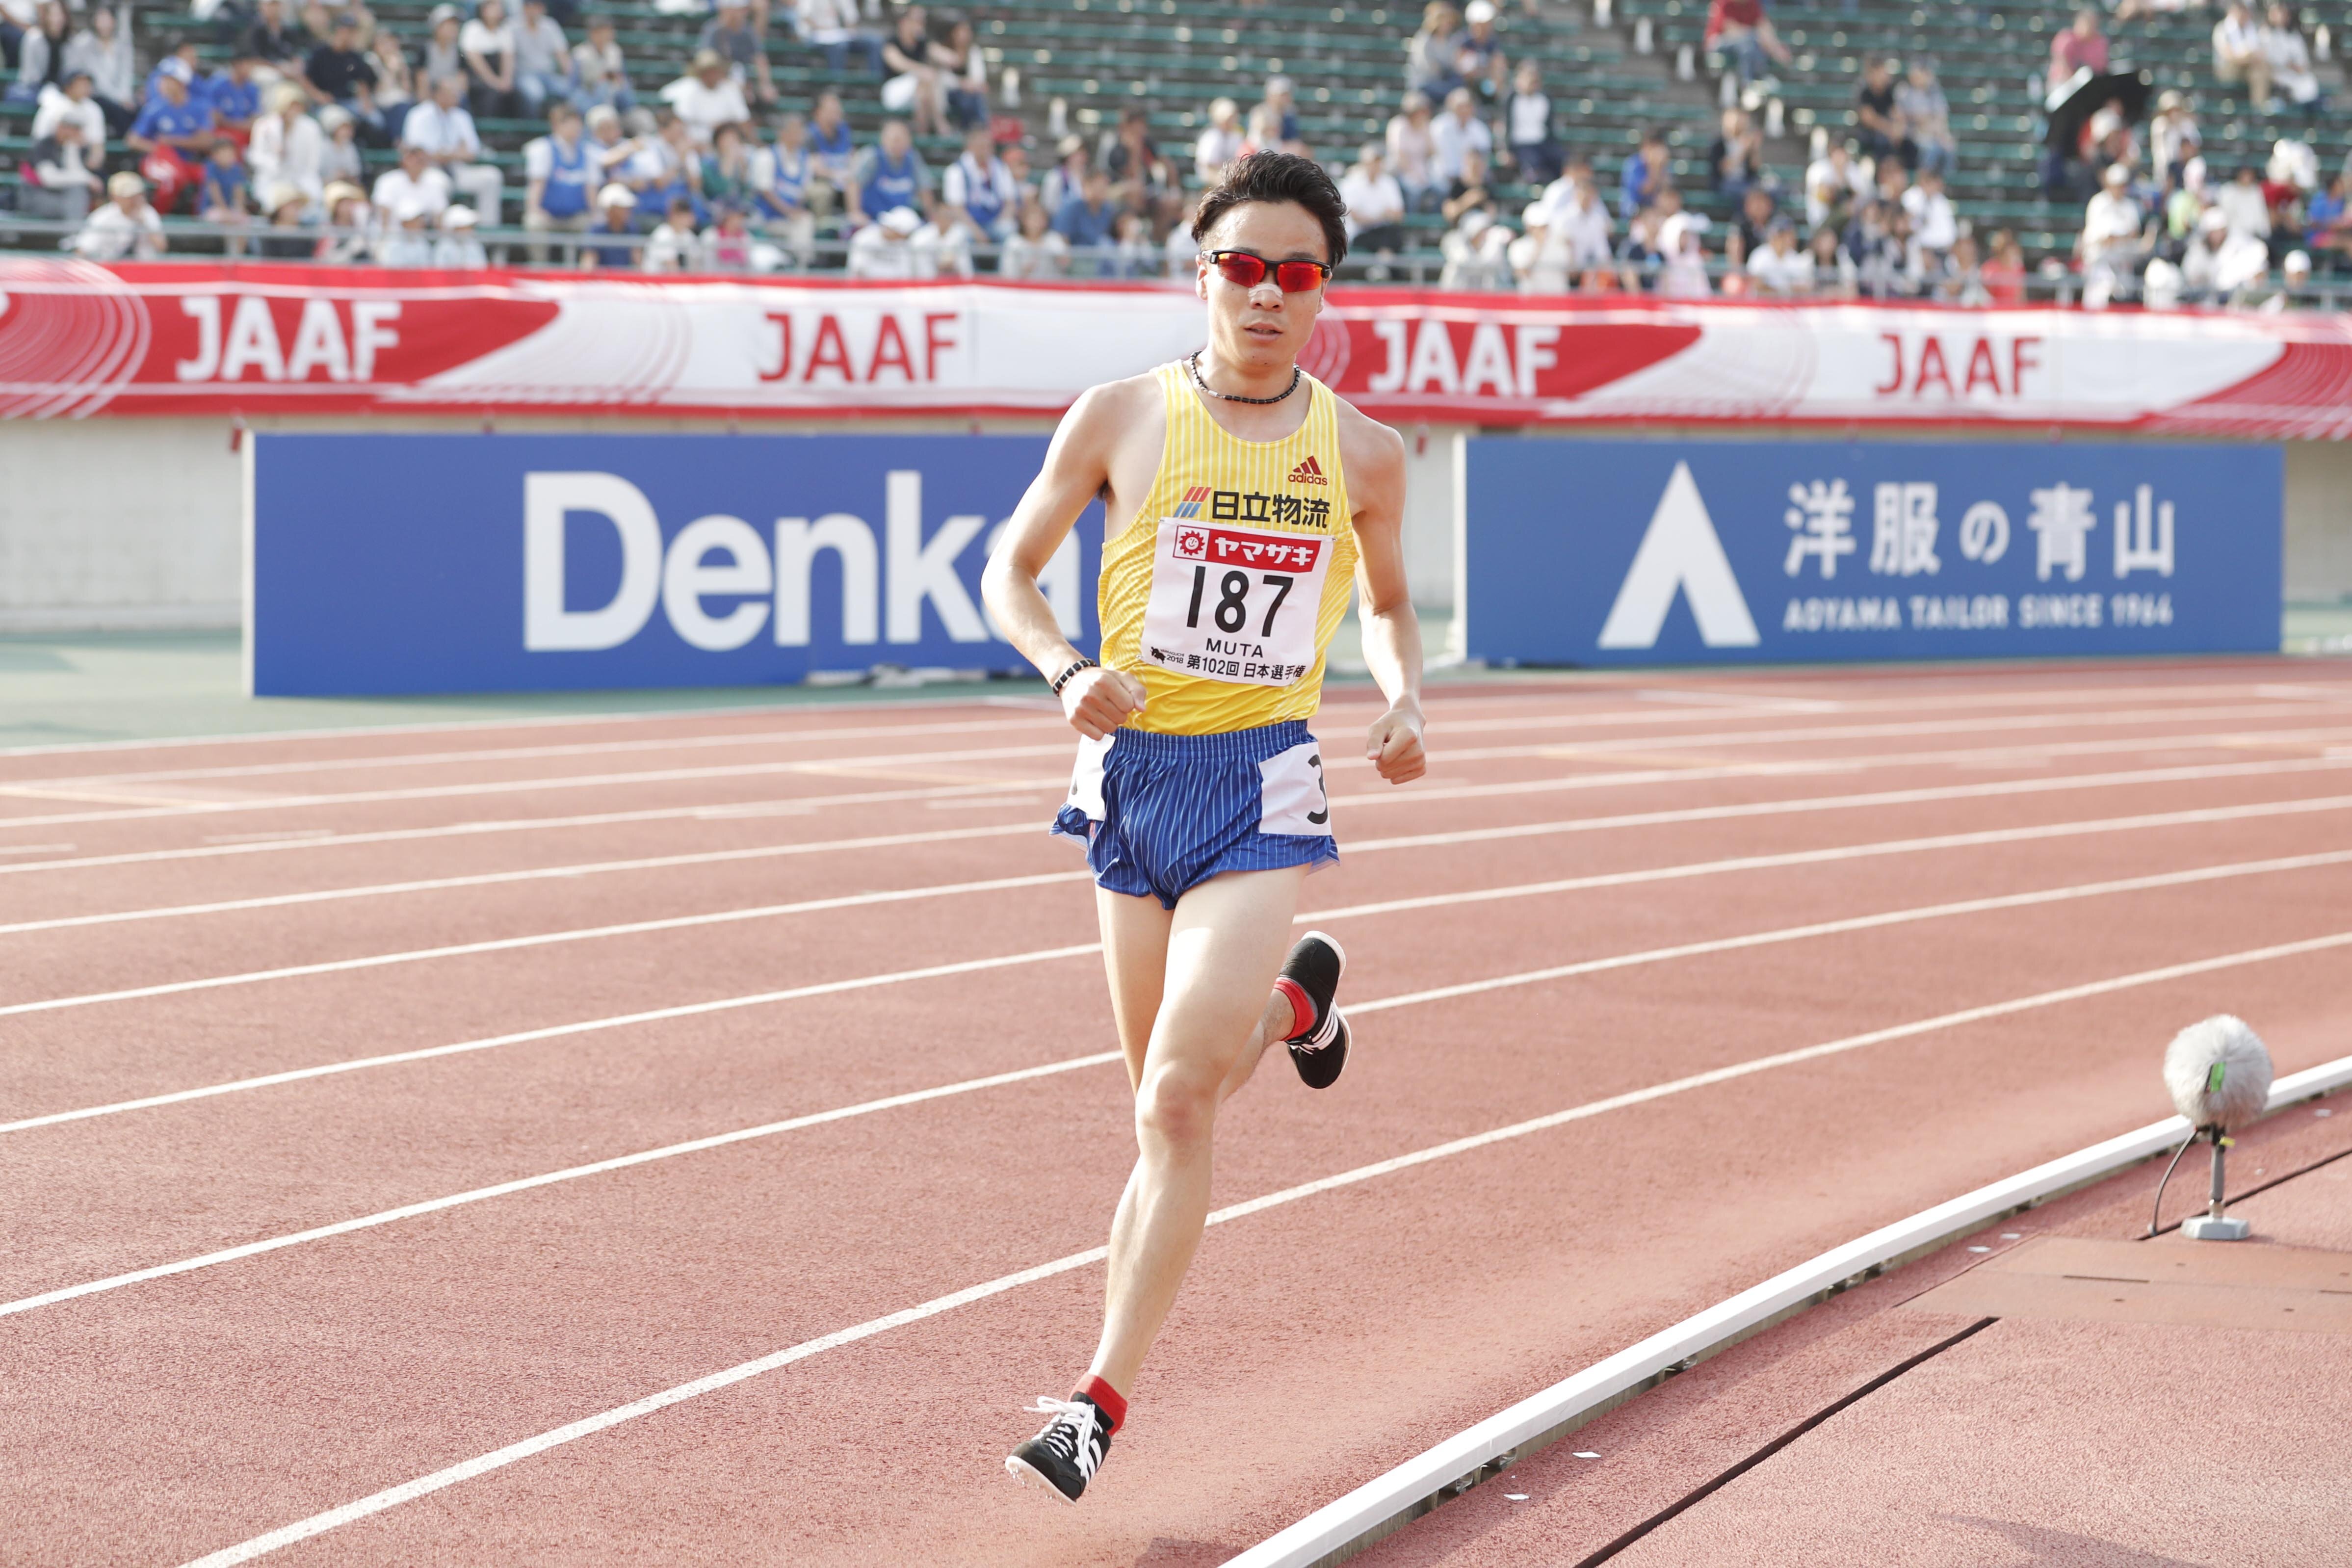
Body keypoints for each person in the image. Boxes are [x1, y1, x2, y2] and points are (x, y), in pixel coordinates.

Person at [982, 150, 1423, 1507]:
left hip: (1260, 781)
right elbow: (1009, 569)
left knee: (1178, 1097)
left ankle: (1094, 1405)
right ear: (1201, 273)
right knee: (1161, 1109)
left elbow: (1389, 603)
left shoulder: (1362, 452)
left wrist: (1402, 695)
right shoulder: (1119, 415)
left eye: (1296, 272)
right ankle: (1298, 1010)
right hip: (1130, 778)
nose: (1267, 293)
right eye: (1242, 266)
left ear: (1324, 290)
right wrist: (1063, 666)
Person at [402, 74, 503, 223]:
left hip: (458, 169)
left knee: (491, 177)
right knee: (438, 182)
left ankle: (488, 230)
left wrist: (444, 154)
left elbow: (472, 153)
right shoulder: (418, 115)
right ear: (437, 94)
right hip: (430, 169)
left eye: (456, 92)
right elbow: (417, 152)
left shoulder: (462, 116)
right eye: (451, 92)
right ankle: (443, 230)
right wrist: (453, 152)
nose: (456, 96)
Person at [127, 58, 215, 212]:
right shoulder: (155, 107)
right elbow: (133, 140)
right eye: (163, 80)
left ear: (181, 83)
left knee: (211, 176)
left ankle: (200, 218)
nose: (163, 84)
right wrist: (161, 148)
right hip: (160, 160)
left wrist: (171, 141)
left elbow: (206, 141)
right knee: (171, 178)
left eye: (169, 80)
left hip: (188, 161)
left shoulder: (199, 107)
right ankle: (157, 218)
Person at [524, 99, 595, 259]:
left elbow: (591, 189)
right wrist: (535, 209)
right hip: (549, 215)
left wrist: (594, 213)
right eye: (570, 123)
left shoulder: (588, 152)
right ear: (557, 125)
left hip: (577, 216)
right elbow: (537, 185)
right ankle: (540, 268)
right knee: (534, 223)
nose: (576, 128)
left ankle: (586, 269)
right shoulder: (543, 149)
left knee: (595, 224)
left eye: (578, 123)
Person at [249, 79, 325, 208]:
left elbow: (314, 161)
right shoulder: (264, 125)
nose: (294, 110)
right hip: (272, 179)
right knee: (273, 202)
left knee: (313, 199)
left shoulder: (311, 127)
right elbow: (256, 156)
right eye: (290, 106)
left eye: (297, 105)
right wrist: (275, 161)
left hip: (302, 179)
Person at [60, 1, 131, 135]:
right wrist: (118, 99)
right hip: (97, 95)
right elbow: (96, 78)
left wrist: (125, 96)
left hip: (118, 98)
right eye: (101, 19)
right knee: (112, 108)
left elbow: (126, 73)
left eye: (107, 19)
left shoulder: (120, 44)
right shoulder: (85, 43)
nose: (104, 23)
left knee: (134, 108)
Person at [941, 121, 1018, 245]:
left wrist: (1002, 221)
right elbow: (956, 209)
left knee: (1009, 230)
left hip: (995, 220)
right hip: (969, 222)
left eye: (989, 145)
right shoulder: (957, 170)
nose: (986, 149)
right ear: (970, 146)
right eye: (981, 145)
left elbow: (1010, 203)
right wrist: (977, 232)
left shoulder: (1001, 168)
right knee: (959, 235)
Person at [23, 111, 102, 224]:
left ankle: (74, 232)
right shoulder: (43, 146)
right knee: (76, 200)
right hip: (35, 197)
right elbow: (50, 180)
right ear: (60, 127)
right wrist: (88, 179)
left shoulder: (70, 146)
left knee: (78, 194)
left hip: (61, 197)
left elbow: (75, 172)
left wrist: (72, 147)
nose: (77, 133)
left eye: (78, 129)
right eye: (73, 129)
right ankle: (75, 233)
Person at [850, 115, 929, 226]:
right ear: (883, 139)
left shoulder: (913, 159)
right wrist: (855, 212)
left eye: (901, 139)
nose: (897, 143)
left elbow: (925, 189)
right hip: (873, 220)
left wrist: (931, 216)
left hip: (902, 220)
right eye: (894, 139)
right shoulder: (872, 157)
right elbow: (853, 183)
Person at [662, 46, 748, 148]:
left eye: (714, 71)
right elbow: (681, 119)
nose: (711, 75)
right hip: (695, 143)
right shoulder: (689, 89)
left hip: (725, 142)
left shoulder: (730, 90)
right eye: (707, 71)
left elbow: (743, 120)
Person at [879, 3, 943, 135]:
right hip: (893, 91)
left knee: (926, 86)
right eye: (916, 21)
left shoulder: (923, 43)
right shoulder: (892, 41)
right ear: (904, 22)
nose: (919, 25)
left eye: (922, 21)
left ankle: (923, 131)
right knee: (925, 79)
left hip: (916, 93)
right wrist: (922, 70)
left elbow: (945, 56)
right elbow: (898, 63)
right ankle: (940, 124)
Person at [75, 169, 167, 258]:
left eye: (136, 195)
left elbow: (162, 247)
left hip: (144, 266)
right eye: (128, 196)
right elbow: (82, 250)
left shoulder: (148, 213)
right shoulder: (103, 217)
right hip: (111, 265)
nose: (133, 200)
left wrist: (144, 222)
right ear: (115, 197)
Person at [1339, 141, 1407, 255]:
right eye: (1372, 162)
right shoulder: (1351, 183)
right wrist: (1381, 216)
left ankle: (1384, 260)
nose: (1375, 166)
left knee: (1393, 235)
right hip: (1361, 233)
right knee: (1384, 240)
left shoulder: (1389, 183)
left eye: (1378, 162)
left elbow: (1399, 215)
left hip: (1383, 232)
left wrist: (1374, 218)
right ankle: (1385, 260)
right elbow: (1355, 217)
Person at [698, 0, 771, 105]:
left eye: (743, 10)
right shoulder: (713, 30)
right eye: (738, 10)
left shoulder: (747, 30)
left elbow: (760, 58)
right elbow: (706, 61)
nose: (742, 13)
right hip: (719, 80)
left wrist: (765, 84)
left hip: (743, 79)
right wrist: (729, 82)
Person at [1499, 59, 1558, 186]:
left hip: (1543, 143)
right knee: (1534, 165)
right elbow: (1503, 126)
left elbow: (1549, 128)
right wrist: (1505, 150)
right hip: (1521, 145)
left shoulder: (1545, 99)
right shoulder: (1511, 99)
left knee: (1560, 159)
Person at [1702, 0, 1789, 86]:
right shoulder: (1724, 3)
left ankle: (1759, 78)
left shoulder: (1752, 3)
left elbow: (1763, 25)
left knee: (1753, 44)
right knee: (1748, 44)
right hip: (1717, 42)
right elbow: (1731, 30)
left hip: (1746, 41)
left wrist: (1776, 47)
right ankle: (1747, 83)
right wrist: (1758, 36)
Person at [371, 137, 450, 230]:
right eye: (415, 159)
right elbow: (384, 216)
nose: (418, 163)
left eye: (421, 160)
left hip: (421, 235)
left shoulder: (436, 182)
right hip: (393, 233)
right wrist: (385, 237)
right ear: (405, 160)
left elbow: (439, 218)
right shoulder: (387, 181)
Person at [1054, 163, 1120, 274]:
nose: (1104, 188)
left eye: (1106, 184)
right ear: (1087, 184)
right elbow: (1062, 239)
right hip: (1078, 261)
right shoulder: (1072, 207)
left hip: (1100, 260)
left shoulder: (1107, 209)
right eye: (1100, 185)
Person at [794, 0, 884, 78]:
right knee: (839, 46)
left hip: (840, 37)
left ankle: (874, 82)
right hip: (814, 37)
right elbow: (805, 16)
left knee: (875, 42)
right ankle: (837, 84)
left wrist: (848, 30)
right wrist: (824, 29)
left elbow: (851, 18)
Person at [462, 0, 521, 119]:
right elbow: (475, 60)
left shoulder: (505, 30)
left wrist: (506, 80)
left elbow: (508, 58)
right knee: (490, 95)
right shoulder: (473, 28)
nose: (497, 10)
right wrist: (494, 82)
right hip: (478, 77)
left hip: (498, 76)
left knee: (517, 94)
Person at [513, 0, 575, 113]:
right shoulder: (513, 26)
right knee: (535, 93)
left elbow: (562, 55)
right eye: (530, 7)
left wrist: (571, 76)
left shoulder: (550, 25)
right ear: (524, 8)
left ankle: (562, 120)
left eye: (537, 7)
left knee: (569, 89)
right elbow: (508, 55)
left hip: (548, 74)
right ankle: (531, 123)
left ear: (542, 9)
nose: (533, 11)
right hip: (524, 74)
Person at [1897, 60, 1954, 179]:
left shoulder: (1935, 93)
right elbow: (1915, 118)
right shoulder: (1905, 92)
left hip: (1934, 135)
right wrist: (1927, 122)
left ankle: (1943, 182)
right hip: (1913, 136)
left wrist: (1942, 135)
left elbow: (1941, 118)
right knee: (1932, 149)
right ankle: (1924, 181)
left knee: (1948, 148)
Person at [2262, 3, 2322, 115]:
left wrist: (2299, 67)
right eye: (2277, 14)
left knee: (2310, 83)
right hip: (2277, 75)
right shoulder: (2266, 34)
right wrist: (2288, 65)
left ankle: (2310, 111)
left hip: (2296, 75)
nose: (2280, 17)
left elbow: (2303, 61)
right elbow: (2269, 59)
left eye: (2283, 14)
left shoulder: (2294, 35)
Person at [1853, 57, 1911, 169]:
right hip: (1869, 135)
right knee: (1882, 141)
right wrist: (1890, 130)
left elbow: (1897, 113)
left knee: (1909, 144)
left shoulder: (1889, 91)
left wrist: (1899, 129)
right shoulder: (1864, 91)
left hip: (1887, 132)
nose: (1885, 75)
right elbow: (1870, 120)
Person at [2211, 1, 2270, 112]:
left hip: (2248, 67)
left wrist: (2250, 57)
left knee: (2261, 71)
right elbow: (2229, 56)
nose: (2243, 14)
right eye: (2240, 11)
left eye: (2245, 11)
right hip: (2227, 70)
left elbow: (2261, 53)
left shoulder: (2252, 28)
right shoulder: (2222, 29)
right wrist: (2249, 56)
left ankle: (2258, 111)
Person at [1385, 90, 1438, 211]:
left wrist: (1425, 131)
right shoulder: (1398, 125)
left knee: (1441, 189)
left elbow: (1432, 152)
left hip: (1423, 173)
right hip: (1400, 172)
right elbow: (1400, 157)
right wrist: (1415, 174)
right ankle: (1411, 220)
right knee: (1415, 192)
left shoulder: (1425, 126)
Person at [1431, 85, 1491, 190]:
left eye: (1467, 106)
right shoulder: (1439, 126)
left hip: (1470, 180)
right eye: (1460, 106)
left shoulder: (1480, 129)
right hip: (1443, 179)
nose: (1464, 110)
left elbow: (1483, 159)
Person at [570, 13, 630, 112]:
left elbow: (623, 77)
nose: (605, 36)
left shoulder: (615, 51)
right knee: (598, 91)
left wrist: (616, 79)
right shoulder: (580, 54)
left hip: (613, 92)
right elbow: (574, 85)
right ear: (592, 34)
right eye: (601, 32)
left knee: (625, 90)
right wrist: (599, 80)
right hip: (587, 93)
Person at [1705, 105, 1764, 203]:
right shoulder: (1718, 144)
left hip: (1746, 182)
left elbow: (1755, 168)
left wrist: (1755, 149)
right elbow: (1724, 169)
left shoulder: (1747, 142)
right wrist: (1744, 151)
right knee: (1749, 195)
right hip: (1725, 184)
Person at [1406, 0, 1463, 101]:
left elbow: (1456, 66)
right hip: (1424, 85)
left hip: (1444, 84)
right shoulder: (1423, 40)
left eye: (1449, 19)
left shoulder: (1452, 40)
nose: (1446, 23)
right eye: (1442, 19)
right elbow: (1430, 70)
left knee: (1460, 92)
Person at [1000, 196, 1068, 278]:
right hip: (1022, 285)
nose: (1036, 223)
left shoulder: (1054, 239)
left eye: (1040, 219)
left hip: (1050, 284)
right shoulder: (1014, 242)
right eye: (1032, 219)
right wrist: (1024, 271)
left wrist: (1061, 260)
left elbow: (1065, 263)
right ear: (1024, 221)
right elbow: (1008, 272)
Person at [583, 180, 639, 267]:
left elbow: (638, 260)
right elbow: (589, 261)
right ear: (611, 210)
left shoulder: (631, 229)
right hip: (602, 276)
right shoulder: (597, 230)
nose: (628, 211)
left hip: (624, 276)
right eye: (623, 208)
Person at [2049, 8, 2106, 92]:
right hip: (2063, 83)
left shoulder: (2098, 41)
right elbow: (2062, 64)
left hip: (2087, 85)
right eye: (2088, 24)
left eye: (2093, 25)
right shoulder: (2066, 38)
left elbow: (2100, 68)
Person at [1618, 124, 1667, 220]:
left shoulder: (1664, 165)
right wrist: (1655, 168)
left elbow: (1666, 191)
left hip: (1655, 213)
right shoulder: (1633, 164)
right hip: (1634, 212)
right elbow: (1642, 192)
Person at [644, 190, 702, 269]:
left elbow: (696, 263)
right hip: (656, 276)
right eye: (685, 214)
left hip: (679, 275)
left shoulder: (687, 235)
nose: (691, 218)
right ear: (675, 215)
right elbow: (671, 268)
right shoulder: (662, 235)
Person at [1195, 96, 1244, 185]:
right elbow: (1207, 165)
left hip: (1231, 174)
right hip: (1212, 175)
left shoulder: (1237, 136)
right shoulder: (1210, 136)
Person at [432, 200, 489, 264]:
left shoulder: (474, 245)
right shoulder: (443, 246)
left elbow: (481, 267)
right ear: (455, 229)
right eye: (465, 227)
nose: (469, 230)